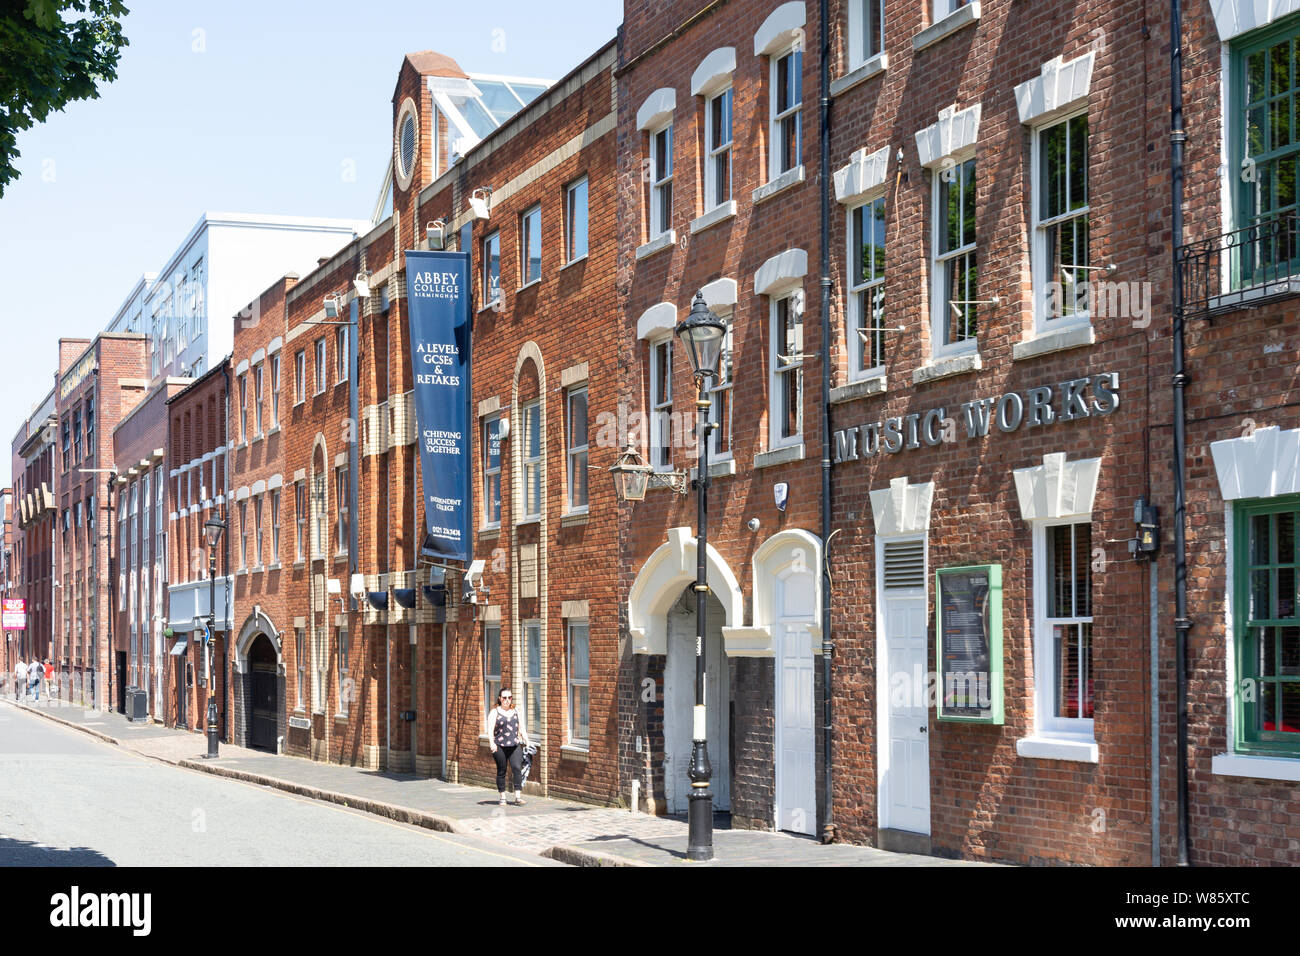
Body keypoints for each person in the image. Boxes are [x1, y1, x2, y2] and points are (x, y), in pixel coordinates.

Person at [486, 689, 530, 806]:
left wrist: (527, 740)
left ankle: (518, 797)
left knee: (516, 768)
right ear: (500, 698)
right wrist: (492, 743)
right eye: (504, 698)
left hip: (514, 744)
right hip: (499, 745)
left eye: (509, 698)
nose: (507, 700)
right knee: (502, 770)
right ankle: (503, 797)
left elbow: (521, 728)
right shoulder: (494, 712)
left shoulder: (515, 711)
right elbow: (490, 730)